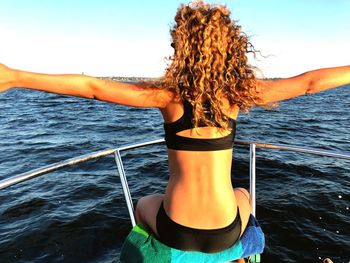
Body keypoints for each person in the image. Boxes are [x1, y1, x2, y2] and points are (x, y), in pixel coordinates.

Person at [0, 0, 349, 259]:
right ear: (230, 49)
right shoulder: (238, 96)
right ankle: (237, 255)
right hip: (225, 231)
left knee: (141, 205)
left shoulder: (168, 97)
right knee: (243, 194)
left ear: (181, 50)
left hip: (176, 228)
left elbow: (93, 86)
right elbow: (309, 83)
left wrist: (15, 76)